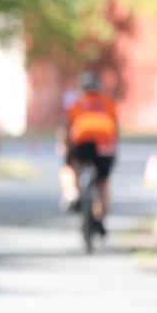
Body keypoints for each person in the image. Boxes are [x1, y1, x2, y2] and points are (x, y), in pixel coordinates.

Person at [58, 71, 118, 235]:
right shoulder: (107, 103)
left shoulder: (76, 104)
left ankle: (72, 193)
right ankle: (102, 212)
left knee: (70, 166)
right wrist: (114, 151)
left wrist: (65, 147)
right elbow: (115, 128)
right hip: (104, 145)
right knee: (103, 181)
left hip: (82, 143)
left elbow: (67, 128)